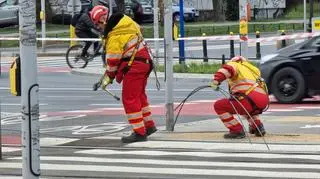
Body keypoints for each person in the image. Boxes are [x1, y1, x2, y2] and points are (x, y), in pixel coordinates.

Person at [90, 5, 157, 143]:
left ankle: (139, 132)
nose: (98, 27)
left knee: (129, 98)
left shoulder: (115, 34)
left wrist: (108, 77)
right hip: (145, 61)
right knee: (139, 96)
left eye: (97, 24)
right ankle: (149, 126)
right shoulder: (125, 22)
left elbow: (113, 60)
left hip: (135, 65)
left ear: (102, 19)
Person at [211, 56, 269, 139]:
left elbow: (226, 70)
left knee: (219, 105)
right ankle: (258, 127)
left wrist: (215, 81)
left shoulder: (235, 65)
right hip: (263, 100)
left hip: (247, 97)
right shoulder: (253, 70)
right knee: (249, 109)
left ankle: (236, 130)